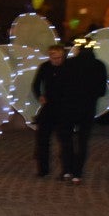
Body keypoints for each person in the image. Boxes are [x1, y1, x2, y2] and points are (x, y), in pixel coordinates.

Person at [57, 43, 108, 184]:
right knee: (83, 140)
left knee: (66, 139)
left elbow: (60, 85)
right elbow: (102, 90)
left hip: (68, 106)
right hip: (87, 107)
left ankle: (67, 170)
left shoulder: (69, 63)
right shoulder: (99, 65)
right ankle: (77, 173)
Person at [32, 44, 68, 178]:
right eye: (54, 58)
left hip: (63, 107)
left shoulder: (67, 67)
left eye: (59, 58)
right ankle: (43, 169)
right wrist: (39, 96)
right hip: (49, 106)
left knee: (64, 140)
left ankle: (66, 169)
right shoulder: (45, 67)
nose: (57, 60)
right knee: (42, 139)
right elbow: (36, 84)